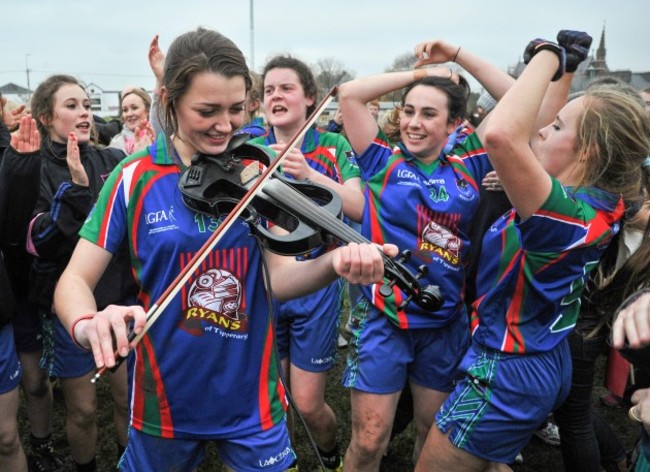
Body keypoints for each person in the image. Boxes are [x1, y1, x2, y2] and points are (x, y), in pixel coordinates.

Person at [53, 27, 394, 472]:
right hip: (164, 400)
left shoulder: (257, 173)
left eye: (236, 109)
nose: (225, 125)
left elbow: (282, 278)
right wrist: (87, 324)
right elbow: (74, 280)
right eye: (207, 110)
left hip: (252, 402)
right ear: (169, 100)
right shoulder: (131, 177)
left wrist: (336, 262)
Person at [415, 34, 650, 471]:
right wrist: (462, 55)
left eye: (558, 127)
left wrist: (548, 55)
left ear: (589, 150)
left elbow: (504, 133)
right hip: (542, 355)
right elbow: (526, 113)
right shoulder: (597, 197)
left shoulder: (561, 217)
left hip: (508, 369)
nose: (543, 129)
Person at [337, 38, 516, 470]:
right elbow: (350, 95)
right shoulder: (381, 159)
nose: (413, 123)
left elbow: (518, 98)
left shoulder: (471, 163)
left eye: (429, 114)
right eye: (409, 111)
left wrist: (456, 55)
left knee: (431, 433)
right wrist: (422, 75)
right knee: (369, 441)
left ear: (455, 122)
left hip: (443, 322)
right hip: (384, 318)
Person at [8, 75, 138, 472]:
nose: (84, 112)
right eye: (71, 105)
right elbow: (37, 241)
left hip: (121, 297)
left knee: (126, 401)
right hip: (68, 309)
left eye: (86, 104)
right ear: (46, 117)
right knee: (81, 410)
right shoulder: (34, 168)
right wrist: (75, 193)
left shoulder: (111, 160)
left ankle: (127, 463)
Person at [250, 54, 364, 471]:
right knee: (276, 397)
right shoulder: (252, 148)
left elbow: (356, 205)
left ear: (309, 98)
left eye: (286, 88)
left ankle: (330, 455)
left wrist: (310, 174)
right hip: (266, 286)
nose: (275, 96)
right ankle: (287, 460)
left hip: (315, 287)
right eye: (268, 90)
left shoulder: (332, 146)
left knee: (308, 402)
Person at [109, 88, 154, 154]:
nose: (129, 114)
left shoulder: (160, 137)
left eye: (134, 108)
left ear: (148, 110)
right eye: (125, 110)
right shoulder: (116, 144)